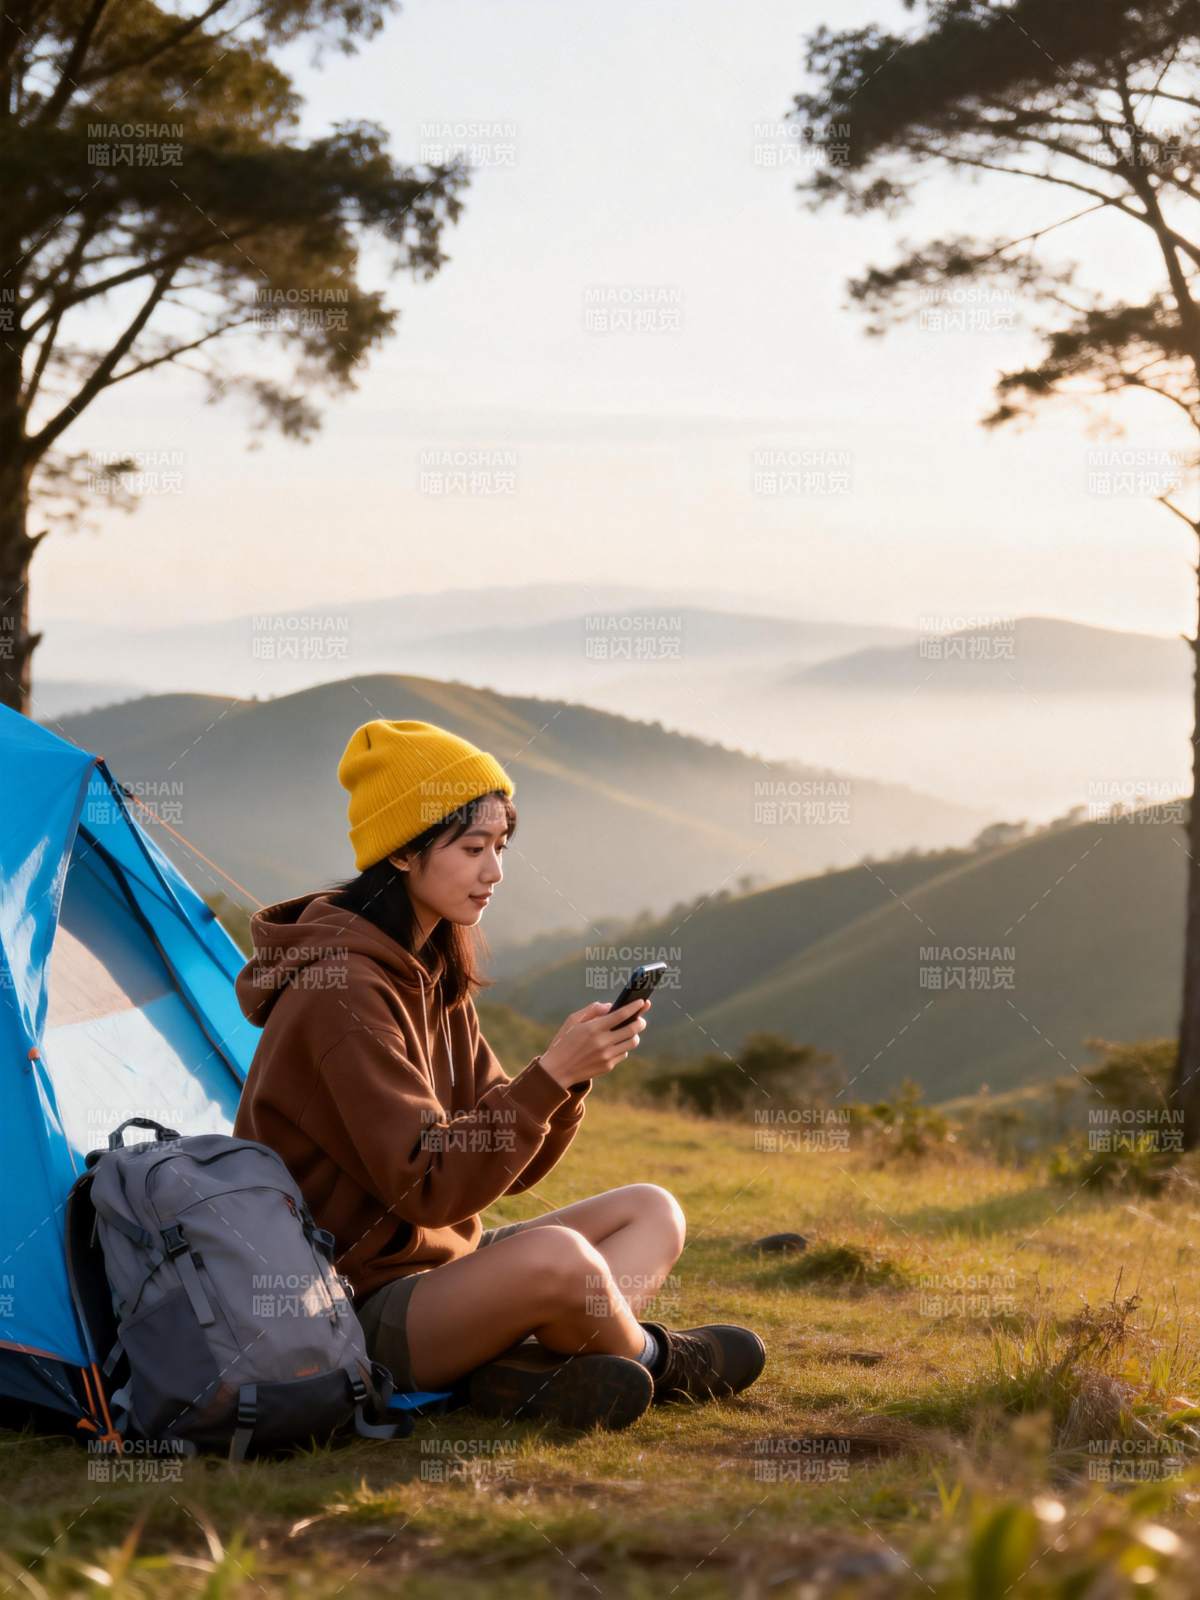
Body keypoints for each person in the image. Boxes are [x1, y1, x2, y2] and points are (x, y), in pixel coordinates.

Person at [232, 717, 765, 1430]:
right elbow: (429, 1186)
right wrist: (545, 1077)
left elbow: (503, 1169)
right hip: (355, 1309)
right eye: (474, 848)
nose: (495, 871)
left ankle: (520, 1371)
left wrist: (568, 1079)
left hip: (442, 1273)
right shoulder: (341, 992)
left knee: (652, 1207)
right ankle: (657, 1361)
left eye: (501, 847)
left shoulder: (428, 969)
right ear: (401, 854)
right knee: (560, 1260)